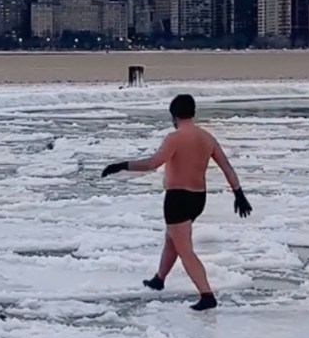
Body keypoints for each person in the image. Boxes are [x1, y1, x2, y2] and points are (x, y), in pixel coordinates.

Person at [101, 94, 252, 311]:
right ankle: (159, 279)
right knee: (172, 239)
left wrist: (121, 165)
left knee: (185, 249)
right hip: (198, 198)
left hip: (177, 198)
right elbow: (227, 167)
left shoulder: (175, 138)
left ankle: (206, 294)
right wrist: (239, 194)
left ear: (174, 115)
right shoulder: (207, 138)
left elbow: (153, 163)